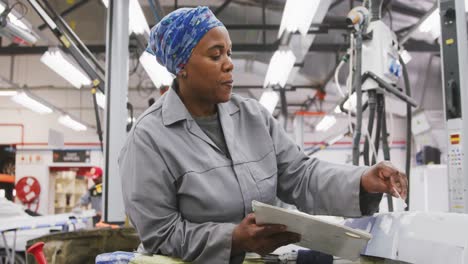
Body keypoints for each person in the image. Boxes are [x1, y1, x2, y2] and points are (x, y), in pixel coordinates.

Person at [118, 6, 408, 264]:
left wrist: (361, 181)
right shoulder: (149, 139)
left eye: (229, 53)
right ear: (181, 66)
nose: (229, 63)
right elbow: (161, 233)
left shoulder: (252, 117)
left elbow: (301, 175)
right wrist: (233, 238)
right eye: (215, 55)